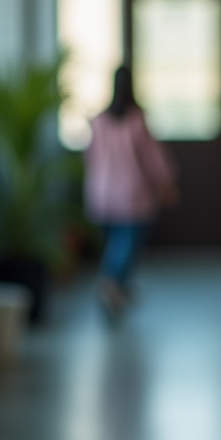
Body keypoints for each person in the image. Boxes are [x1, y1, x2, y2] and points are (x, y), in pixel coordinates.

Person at [83, 66, 178, 315]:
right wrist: (166, 181)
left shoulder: (99, 121)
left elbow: (89, 156)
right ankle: (111, 282)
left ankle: (119, 288)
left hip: (101, 193)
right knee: (126, 243)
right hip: (130, 194)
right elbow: (152, 157)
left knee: (115, 241)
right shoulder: (136, 120)